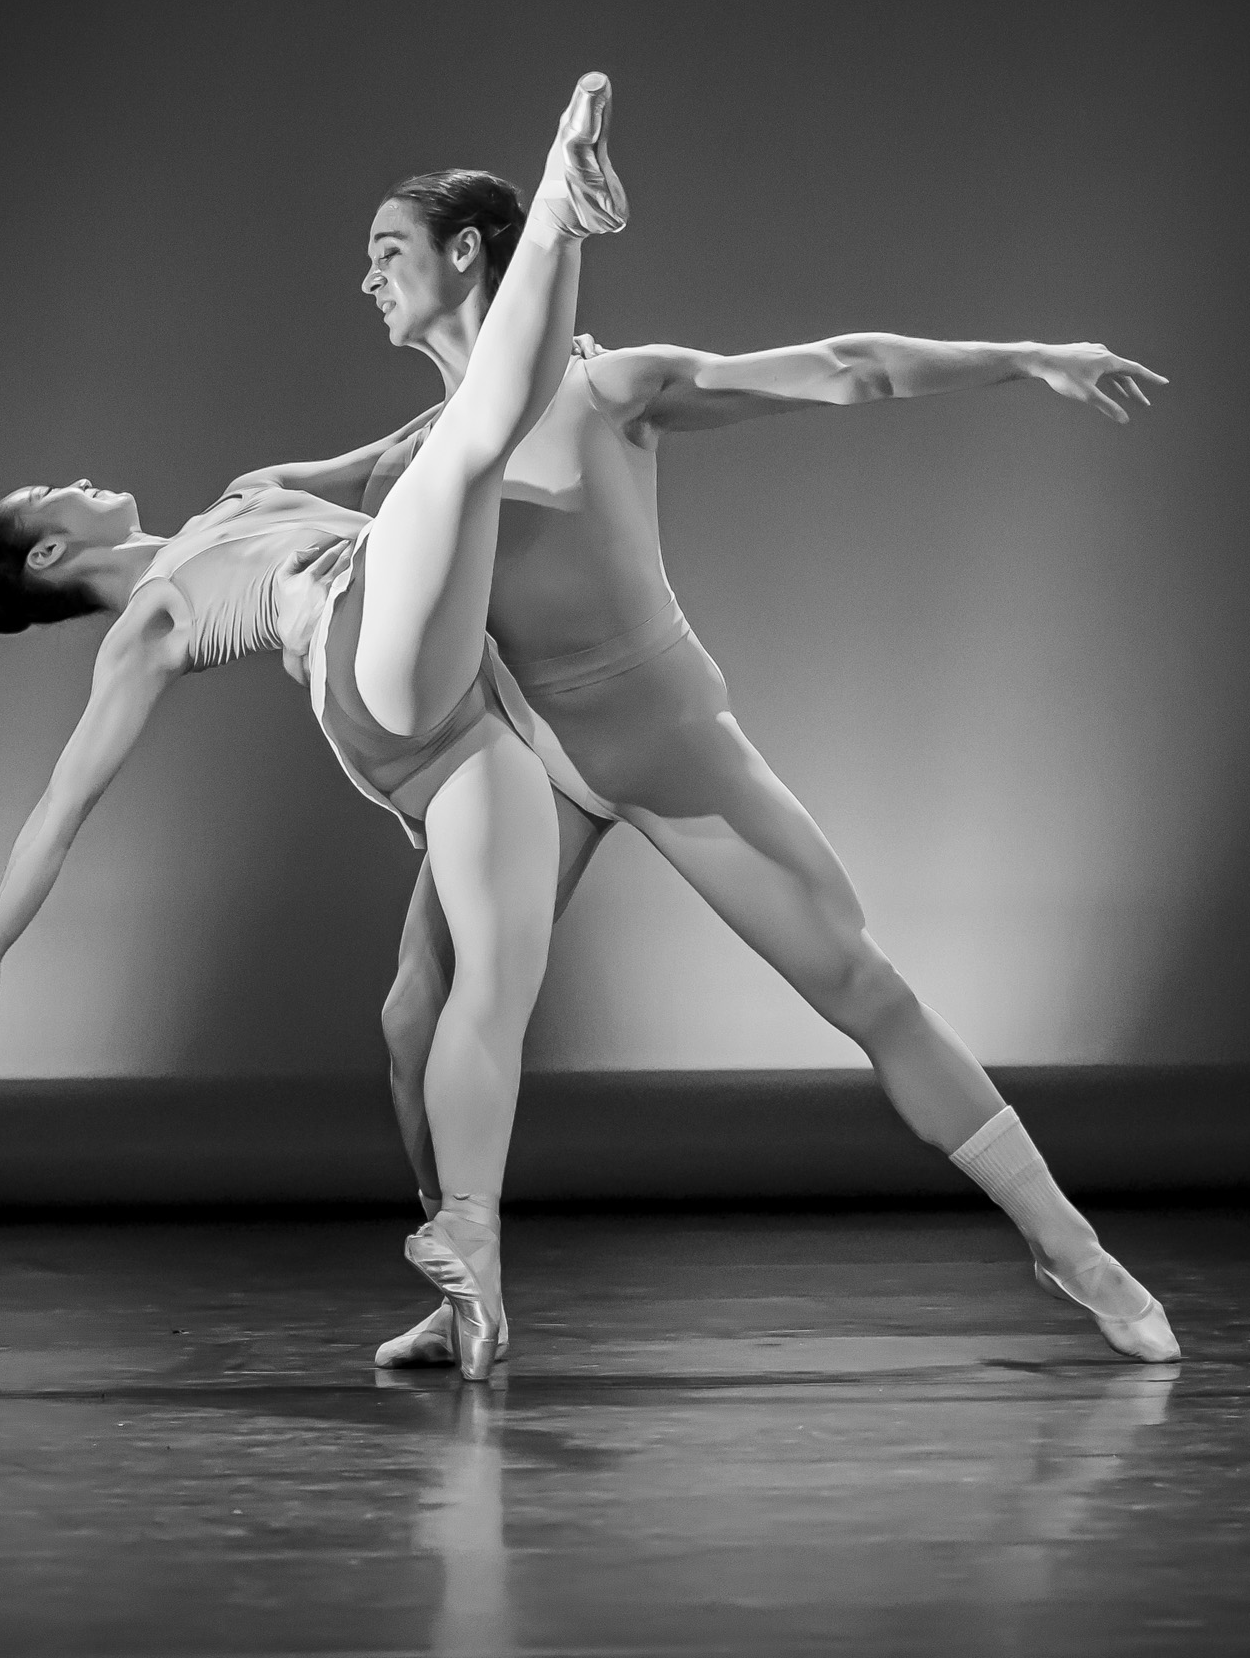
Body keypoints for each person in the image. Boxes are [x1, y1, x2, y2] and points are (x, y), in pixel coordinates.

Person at [238, 173, 1181, 1368]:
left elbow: (844, 366)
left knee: (863, 986)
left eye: (388, 250)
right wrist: (192, 534)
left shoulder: (607, 386)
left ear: (467, 252)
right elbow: (295, 487)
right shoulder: (417, 453)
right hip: (536, 763)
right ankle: (465, 1277)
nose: (367, 277)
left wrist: (1027, 358)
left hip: (669, 746)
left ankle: (1072, 1248)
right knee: (412, 1016)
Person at [0, 75, 628, 1380]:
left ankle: (464, 1280)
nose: (84, 479)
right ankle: (561, 211)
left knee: (413, 1016)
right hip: (367, 650)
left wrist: (523, 387)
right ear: (48, 552)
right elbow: (66, 800)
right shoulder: (149, 621)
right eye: (59, 493)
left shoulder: (234, 500)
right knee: (466, 459)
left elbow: (398, 454)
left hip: (433, 685)